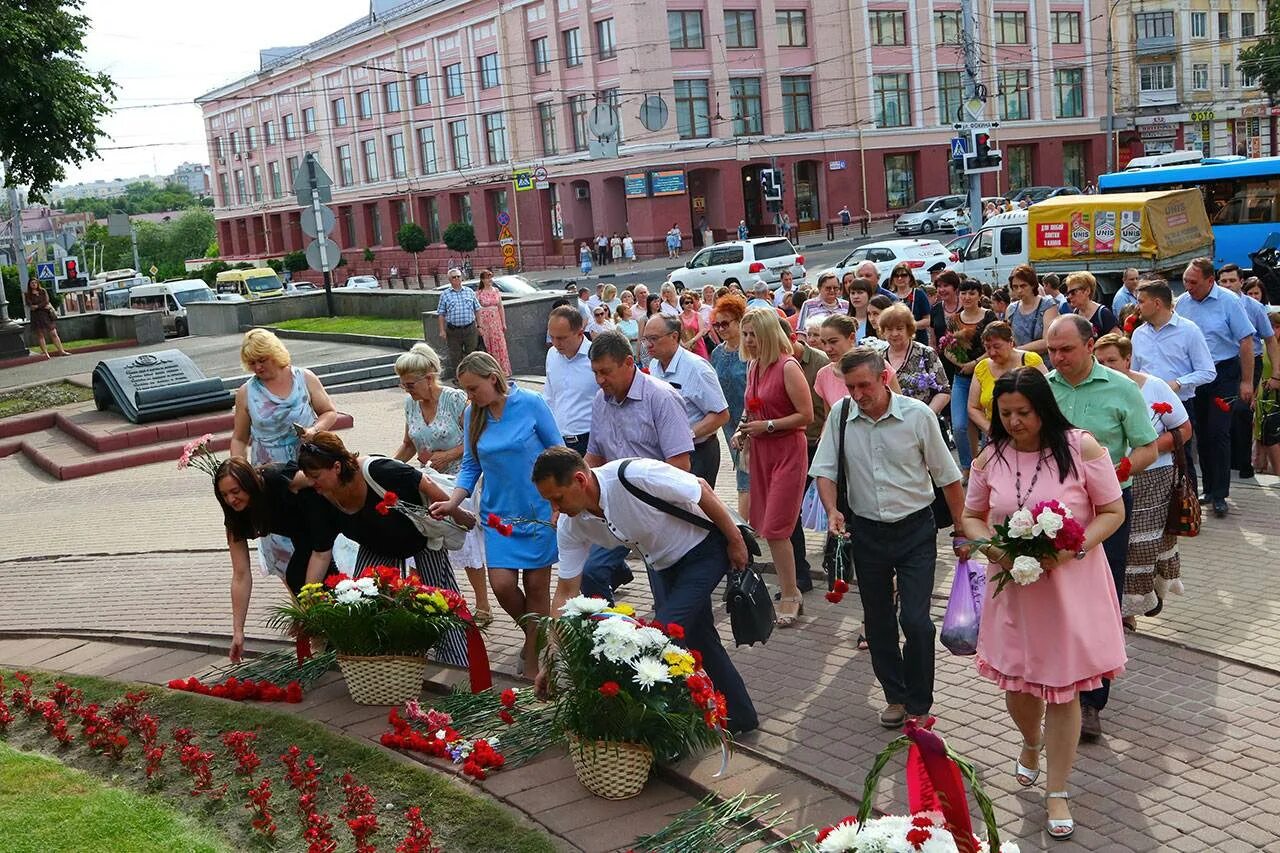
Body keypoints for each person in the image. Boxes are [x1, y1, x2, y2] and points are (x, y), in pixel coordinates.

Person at [959, 367, 1127, 841]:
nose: (1014, 422)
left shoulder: (1081, 448)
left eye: (1023, 413)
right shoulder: (989, 456)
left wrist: (1071, 549)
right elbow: (971, 516)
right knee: (1020, 686)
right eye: (1005, 413)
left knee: (1066, 689)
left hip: (1069, 587)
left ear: (1043, 409)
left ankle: (1058, 789)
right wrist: (996, 551)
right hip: (1013, 587)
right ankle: (1030, 742)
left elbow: (1112, 511)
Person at [533, 447, 759, 734]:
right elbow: (565, 590)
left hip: (704, 551)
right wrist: (551, 659)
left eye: (557, 498)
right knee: (698, 635)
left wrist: (735, 540)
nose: (555, 510)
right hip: (662, 565)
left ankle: (669, 729)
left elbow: (701, 489)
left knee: (661, 636)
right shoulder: (571, 524)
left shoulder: (633, 474)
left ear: (580, 480)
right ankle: (740, 716)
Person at [812, 347, 966, 727]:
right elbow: (825, 469)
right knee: (878, 621)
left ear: (884, 378)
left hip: (915, 529)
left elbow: (948, 476)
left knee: (916, 621)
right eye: (850, 387)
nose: (858, 394)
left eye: (864, 385)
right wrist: (832, 510)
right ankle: (895, 697)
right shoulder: (841, 414)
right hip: (866, 532)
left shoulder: (918, 415)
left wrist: (963, 529)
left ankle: (919, 702)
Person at [1045, 314, 1158, 739]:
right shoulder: (1046, 387)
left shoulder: (1121, 388)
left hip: (1106, 510)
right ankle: (1057, 686)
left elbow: (1147, 444)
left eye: (1066, 350)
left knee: (1100, 598)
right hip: (1050, 509)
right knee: (1053, 598)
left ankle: (1092, 701)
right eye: (1052, 351)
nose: (1057, 359)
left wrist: (1119, 469)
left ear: (1090, 345)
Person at [429, 352, 560, 676]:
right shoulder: (474, 413)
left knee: (537, 587)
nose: (469, 396)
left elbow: (558, 452)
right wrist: (453, 502)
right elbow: (471, 466)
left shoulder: (531, 403)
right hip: (498, 516)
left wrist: (559, 504)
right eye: (466, 390)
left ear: (492, 377)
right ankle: (538, 640)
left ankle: (533, 662)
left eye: (473, 388)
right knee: (502, 586)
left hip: (538, 511)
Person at [298, 431, 475, 668]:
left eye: (316, 476)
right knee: (362, 600)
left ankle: (459, 665)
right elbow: (321, 553)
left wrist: (458, 513)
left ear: (337, 467)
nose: (312, 483)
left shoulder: (375, 470)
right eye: (308, 477)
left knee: (441, 602)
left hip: (419, 536)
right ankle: (376, 665)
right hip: (376, 545)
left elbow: (425, 482)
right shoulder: (321, 499)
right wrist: (307, 601)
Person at [582, 330, 694, 600]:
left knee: (666, 601)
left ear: (629, 363)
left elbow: (680, 465)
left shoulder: (661, 397)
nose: (600, 381)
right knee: (590, 571)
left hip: (658, 514)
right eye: (595, 373)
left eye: (606, 372)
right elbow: (594, 456)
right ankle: (611, 637)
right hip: (617, 509)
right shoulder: (601, 400)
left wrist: (646, 502)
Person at [1093, 333, 1190, 626]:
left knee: (1142, 544)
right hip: (1108, 479)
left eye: (1113, 360)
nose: (1107, 366)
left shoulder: (1154, 386)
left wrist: (1145, 450)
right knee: (1113, 542)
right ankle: (1124, 606)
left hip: (1154, 475)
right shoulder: (1095, 390)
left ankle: (1133, 605)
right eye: (1101, 361)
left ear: (1127, 359)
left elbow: (1184, 430)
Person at [392, 343, 492, 626]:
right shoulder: (411, 403)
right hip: (428, 481)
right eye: (403, 386)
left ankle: (483, 604)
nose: (407, 390)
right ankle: (425, 599)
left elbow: (477, 437)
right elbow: (408, 444)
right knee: (426, 538)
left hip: (463, 479)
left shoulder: (455, 399)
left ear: (428, 378)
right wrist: (388, 466)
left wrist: (447, 455)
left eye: (410, 384)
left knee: (466, 538)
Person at [230, 329, 340, 578]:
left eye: (262, 359)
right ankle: (299, 606)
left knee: (319, 532)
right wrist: (237, 471)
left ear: (275, 354)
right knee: (282, 541)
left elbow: (329, 412)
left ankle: (328, 599)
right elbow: (239, 437)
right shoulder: (246, 392)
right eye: (252, 362)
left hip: (308, 466)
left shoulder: (305, 378)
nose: (257, 367)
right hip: (270, 475)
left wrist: (314, 430)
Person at [731, 308, 814, 626]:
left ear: (767, 334)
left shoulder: (787, 366)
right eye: (746, 334)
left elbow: (805, 416)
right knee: (765, 525)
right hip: (762, 453)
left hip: (787, 452)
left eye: (753, 334)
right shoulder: (753, 366)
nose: (748, 340)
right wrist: (743, 430)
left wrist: (766, 426)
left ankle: (791, 594)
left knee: (778, 528)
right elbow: (750, 408)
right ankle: (790, 589)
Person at [214, 458, 339, 661]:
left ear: (250, 483)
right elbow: (240, 574)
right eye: (224, 495)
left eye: (235, 491)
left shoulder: (278, 479)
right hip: (304, 536)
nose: (231, 500)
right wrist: (238, 631)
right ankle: (334, 643)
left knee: (305, 578)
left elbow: (321, 476)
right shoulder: (234, 517)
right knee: (300, 579)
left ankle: (341, 640)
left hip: (326, 514)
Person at [1175, 257, 1255, 517]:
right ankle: (1207, 488)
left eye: (1193, 282)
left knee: (1219, 432)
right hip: (1196, 375)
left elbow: (1245, 341)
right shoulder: (1183, 303)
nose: (1188, 287)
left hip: (1224, 372)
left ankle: (1220, 494)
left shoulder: (1229, 302)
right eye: (1186, 281)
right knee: (1201, 433)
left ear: (1210, 281)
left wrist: (1246, 381)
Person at [646, 314, 730, 486]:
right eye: (646, 339)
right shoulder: (655, 365)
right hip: (666, 454)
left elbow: (721, 415)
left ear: (674, 337)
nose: (648, 344)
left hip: (697, 453)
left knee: (695, 511)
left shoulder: (696, 368)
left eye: (654, 338)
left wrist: (685, 436)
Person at [782, 315, 830, 596]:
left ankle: (839, 564)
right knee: (792, 512)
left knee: (835, 506)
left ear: (791, 338)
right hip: (794, 444)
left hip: (822, 443)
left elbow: (829, 408)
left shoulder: (821, 362)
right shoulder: (771, 363)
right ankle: (800, 575)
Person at [1219, 267, 1280, 478]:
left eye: (1231, 280)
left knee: (1242, 411)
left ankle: (1244, 463)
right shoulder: (1217, 306)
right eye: (1223, 281)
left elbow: (1270, 340)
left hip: (1251, 362)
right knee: (1223, 412)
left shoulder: (1254, 308)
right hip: (1224, 363)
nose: (1227, 285)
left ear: (1240, 281)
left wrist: (1276, 373)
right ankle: (1229, 462)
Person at [943, 279, 998, 478]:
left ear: (979, 296)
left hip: (986, 375)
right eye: (963, 293)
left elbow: (995, 345)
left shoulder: (989, 316)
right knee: (959, 425)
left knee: (987, 423)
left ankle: (988, 464)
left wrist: (974, 363)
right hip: (961, 378)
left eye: (971, 293)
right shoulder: (953, 319)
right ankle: (967, 465)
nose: (967, 297)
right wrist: (960, 365)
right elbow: (947, 347)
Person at [968, 321, 1047, 440]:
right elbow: (973, 407)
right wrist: (991, 430)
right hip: (996, 436)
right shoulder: (982, 368)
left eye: (997, 346)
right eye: (988, 347)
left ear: (1011, 342)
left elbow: (1048, 396)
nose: (992, 352)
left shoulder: (1030, 361)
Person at [710, 294, 751, 516]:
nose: (721, 328)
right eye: (717, 324)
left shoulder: (750, 349)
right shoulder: (717, 353)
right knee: (743, 468)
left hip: (751, 417)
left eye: (725, 323)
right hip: (728, 421)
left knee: (749, 472)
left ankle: (745, 524)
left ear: (739, 320)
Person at [544, 305, 596, 458]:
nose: (555, 343)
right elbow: (550, 396)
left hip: (591, 440)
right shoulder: (552, 355)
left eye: (561, 338)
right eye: (551, 337)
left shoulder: (596, 357)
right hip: (559, 441)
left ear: (580, 333)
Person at [437, 268, 483, 381]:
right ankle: (459, 379)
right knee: (455, 356)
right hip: (453, 330)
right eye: (454, 277)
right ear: (449, 280)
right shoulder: (445, 295)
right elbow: (441, 314)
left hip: (470, 328)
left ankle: (472, 377)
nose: (457, 278)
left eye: (458, 276)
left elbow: (477, 309)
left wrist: (479, 326)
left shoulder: (469, 291)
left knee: (471, 354)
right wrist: (442, 330)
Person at [1005, 264, 1058, 354]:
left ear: (1033, 285)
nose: (1019, 290)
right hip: (1019, 364)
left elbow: (1047, 341)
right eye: (1015, 286)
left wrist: (1017, 350)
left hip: (1042, 363)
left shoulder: (1047, 305)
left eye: (1023, 286)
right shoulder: (1011, 309)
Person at [474, 269, 511, 377]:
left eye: (491, 277)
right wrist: (478, 325)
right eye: (487, 278)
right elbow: (476, 309)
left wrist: (503, 323)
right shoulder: (478, 293)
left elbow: (500, 307)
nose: (490, 280)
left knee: (499, 344)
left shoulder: (496, 291)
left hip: (496, 321)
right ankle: (491, 370)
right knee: (488, 344)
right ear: (482, 280)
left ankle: (503, 369)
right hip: (485, 322)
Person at [1060, 271, 1118, 337]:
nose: (1069, 297)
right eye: (1068, 293)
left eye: (1073, 292)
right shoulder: (1075, 314)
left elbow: (1117, 340)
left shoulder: (1103, 313)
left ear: (1087, 291)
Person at [885, 263, 931, 343]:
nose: (899, 278)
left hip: (918, 340)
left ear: (910, 277)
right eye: (896, 275)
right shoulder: (889, 296)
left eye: (904, 275)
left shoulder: (919, 294)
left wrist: (910, 325)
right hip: (895, 341)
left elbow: (927, 320)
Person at [23, 281, 68, 358]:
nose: (34, 284)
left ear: (37, 284)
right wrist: (40, 306)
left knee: (53, 333)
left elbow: (46, 301)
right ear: (29, 285)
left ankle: (61, 351)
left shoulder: (42, 291)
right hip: (36, 316)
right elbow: (30, 304)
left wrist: (37, 306)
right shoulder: (27, 294)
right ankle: (46, 354)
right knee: (40, 335)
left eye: (35, 283)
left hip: (46, 315)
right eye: (32, 283)